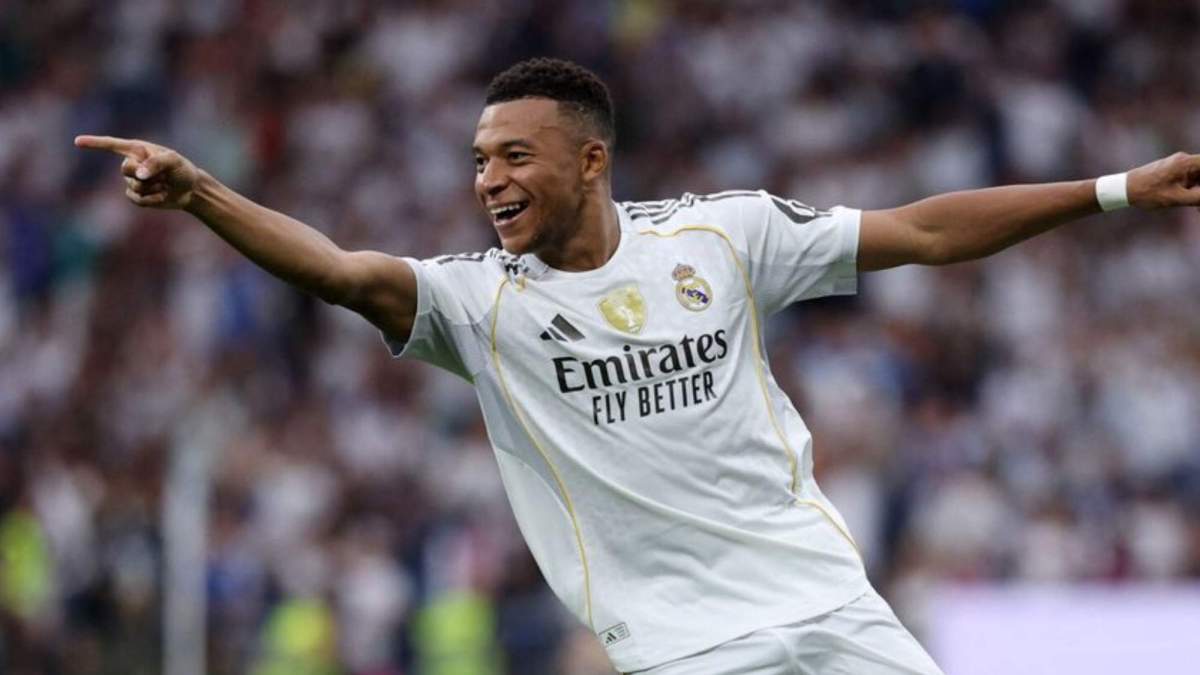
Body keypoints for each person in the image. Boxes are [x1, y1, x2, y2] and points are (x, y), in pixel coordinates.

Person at [76, 57, 1200, 675]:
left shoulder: (723, 235)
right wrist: (201, 193)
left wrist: (1114, 190)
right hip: (686, 648)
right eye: (478, 160)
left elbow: (924, 230)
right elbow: (335, 270)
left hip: (830, 603)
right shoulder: (477, 303)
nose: (488, 179)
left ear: (591, 160)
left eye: (515, 155)